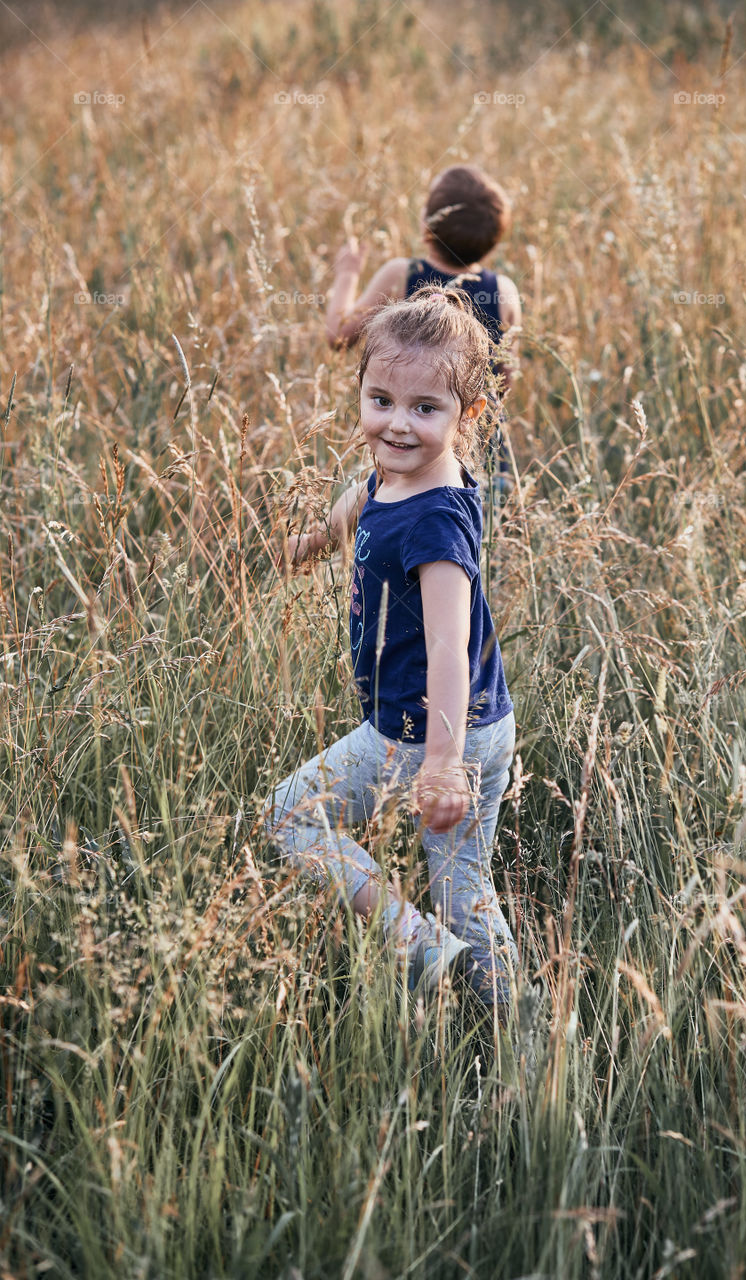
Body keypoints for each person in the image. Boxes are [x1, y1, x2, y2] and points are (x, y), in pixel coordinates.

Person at [265, 286, 518, 1013]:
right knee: (463, 889)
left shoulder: (438, 528)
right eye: (380, 400)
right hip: (450, 726)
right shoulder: (397, 467)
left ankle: (417, 944)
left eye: (424, 409)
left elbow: (450, 644)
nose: (397, 425)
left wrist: (439, 766)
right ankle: (514, 1026)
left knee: (291, 816)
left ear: (469, 414)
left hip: (431, 731)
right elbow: (364, 492)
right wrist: (314, 543)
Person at [324, 165, 522, 493]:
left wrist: (347, 273)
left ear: (428, 224)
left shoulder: (402, 273)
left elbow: (339, 335)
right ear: (493, 239)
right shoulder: (504, 290)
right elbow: (504, 380)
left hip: (409, 455)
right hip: (483, 456)